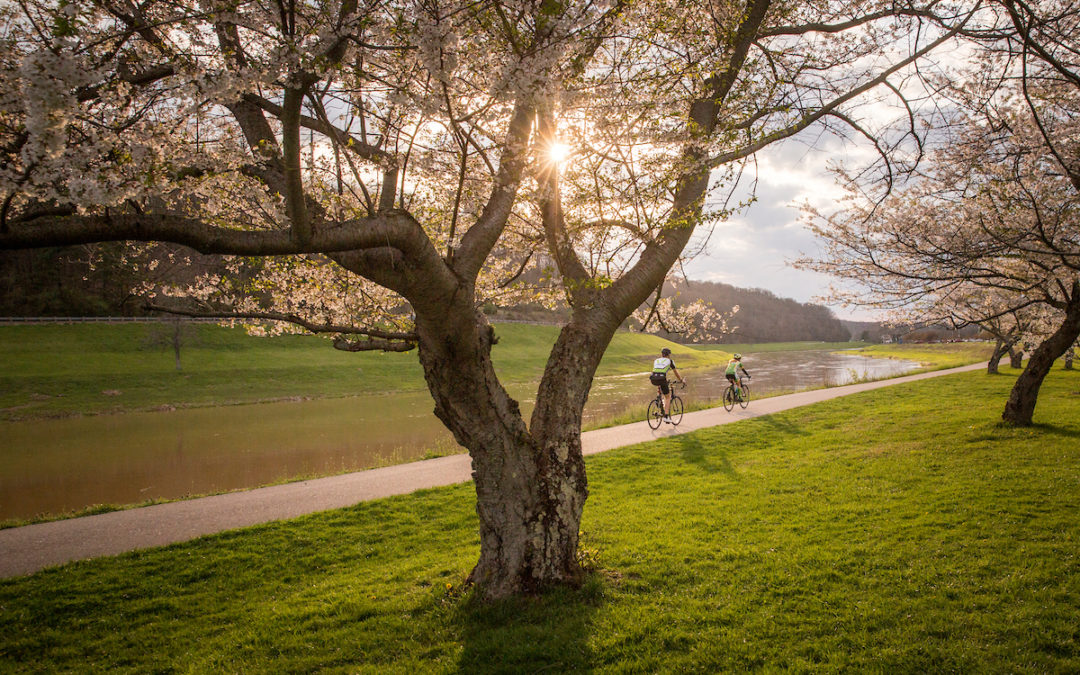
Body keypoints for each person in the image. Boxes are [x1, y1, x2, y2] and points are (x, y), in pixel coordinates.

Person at [649, 348, 685, 422]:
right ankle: (666, 416)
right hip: (662, 378)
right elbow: (676, 373)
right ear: (668, 355)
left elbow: (656, 371)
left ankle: (658, 401)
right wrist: (681, 380)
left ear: (662, 354)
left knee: (660, 386)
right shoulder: (670, 361)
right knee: (668, 397)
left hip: (653, 378)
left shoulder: (657, 360)